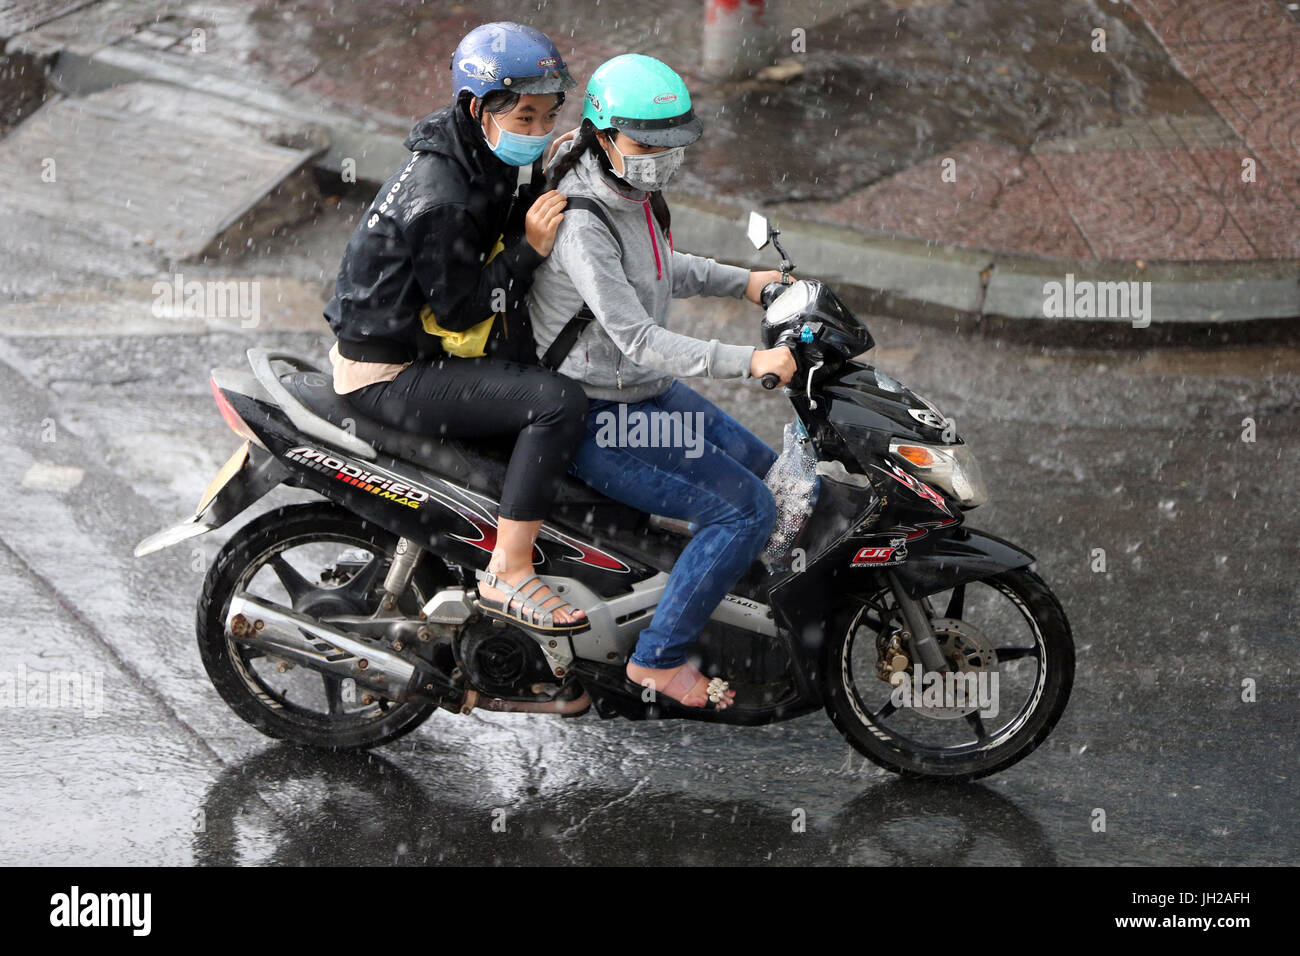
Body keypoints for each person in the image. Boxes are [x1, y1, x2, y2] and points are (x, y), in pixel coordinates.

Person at [527, 54, 797, 708]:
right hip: (600, 414)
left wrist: (750, 283)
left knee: (770, 475)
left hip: (642, 393)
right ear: (602, 132)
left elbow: (660, 267)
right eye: (645, 143)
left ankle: (725, 602)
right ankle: (657, 659)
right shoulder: (584, 221)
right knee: (745, 509)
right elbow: (639, 338)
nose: (660, 157)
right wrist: (749, 360)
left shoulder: (627, 188)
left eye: (670, 144)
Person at [323, 22, 590, 633]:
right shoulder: (440, 194)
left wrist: (557, 164)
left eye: (548, 116)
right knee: (556, 405)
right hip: (387, 372)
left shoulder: (468, 146)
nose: (538, 131)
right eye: (525, 119)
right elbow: (461, 309)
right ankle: (509, 570)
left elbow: (506, 202)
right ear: (478, 107)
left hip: (413, 347)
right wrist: (529, 248)